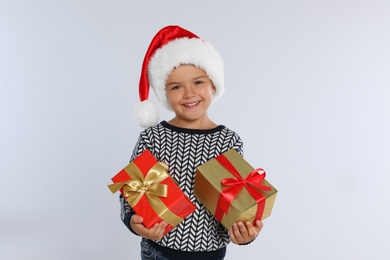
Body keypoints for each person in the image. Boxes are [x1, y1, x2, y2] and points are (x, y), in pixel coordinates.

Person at [120, 25, 263, 260]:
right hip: (158, 252)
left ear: (213, 84)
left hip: (211, 254)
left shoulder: (229, 141)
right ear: (164, 93)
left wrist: (246, 231)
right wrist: (134, 223)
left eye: (198, 82)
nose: (188, 94)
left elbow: (238, 202)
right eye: (176, 86)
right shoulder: (153, 138)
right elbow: (130, 193)